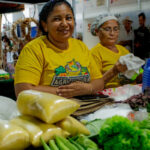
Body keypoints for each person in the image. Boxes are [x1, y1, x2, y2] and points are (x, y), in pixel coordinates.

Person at [14, 0, 104, 98]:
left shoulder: (81, 46)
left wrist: (89, 88)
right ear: (45, 25)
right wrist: (68, 92)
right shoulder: (33, 49)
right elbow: (23, 90)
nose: (65, 24)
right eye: (57, 19)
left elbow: (99, 82)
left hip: (85, 108)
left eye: (69, 18)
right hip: (49, 110)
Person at [90, 15, 130, 89]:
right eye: (107, 29)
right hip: (111, 96)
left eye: (115, 29)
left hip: (131, 92)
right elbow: (93, 85)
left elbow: (137, 77)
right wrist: (113, 71)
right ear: (97, 32)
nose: (112, 33)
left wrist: (139, 72)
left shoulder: (124, 50)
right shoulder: (95, 53)